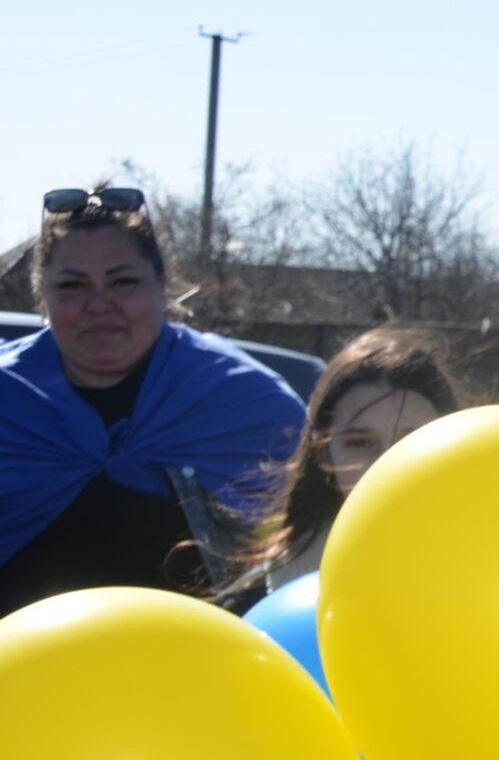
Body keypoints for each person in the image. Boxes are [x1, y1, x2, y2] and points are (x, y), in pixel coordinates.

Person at [0, 184, 303, 616]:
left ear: (161, 286)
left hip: (200, 670)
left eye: (123, 282)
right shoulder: (6, 397)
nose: (99, 304)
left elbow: (305, 554)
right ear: (41, 297)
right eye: (72, 285)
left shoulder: (244, 402)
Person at [231, 327, 458, 593]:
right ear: (324, 451)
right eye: (360, 443)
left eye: (411, 439)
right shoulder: (274, 592)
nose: (385, 464)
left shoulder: (497, 546)